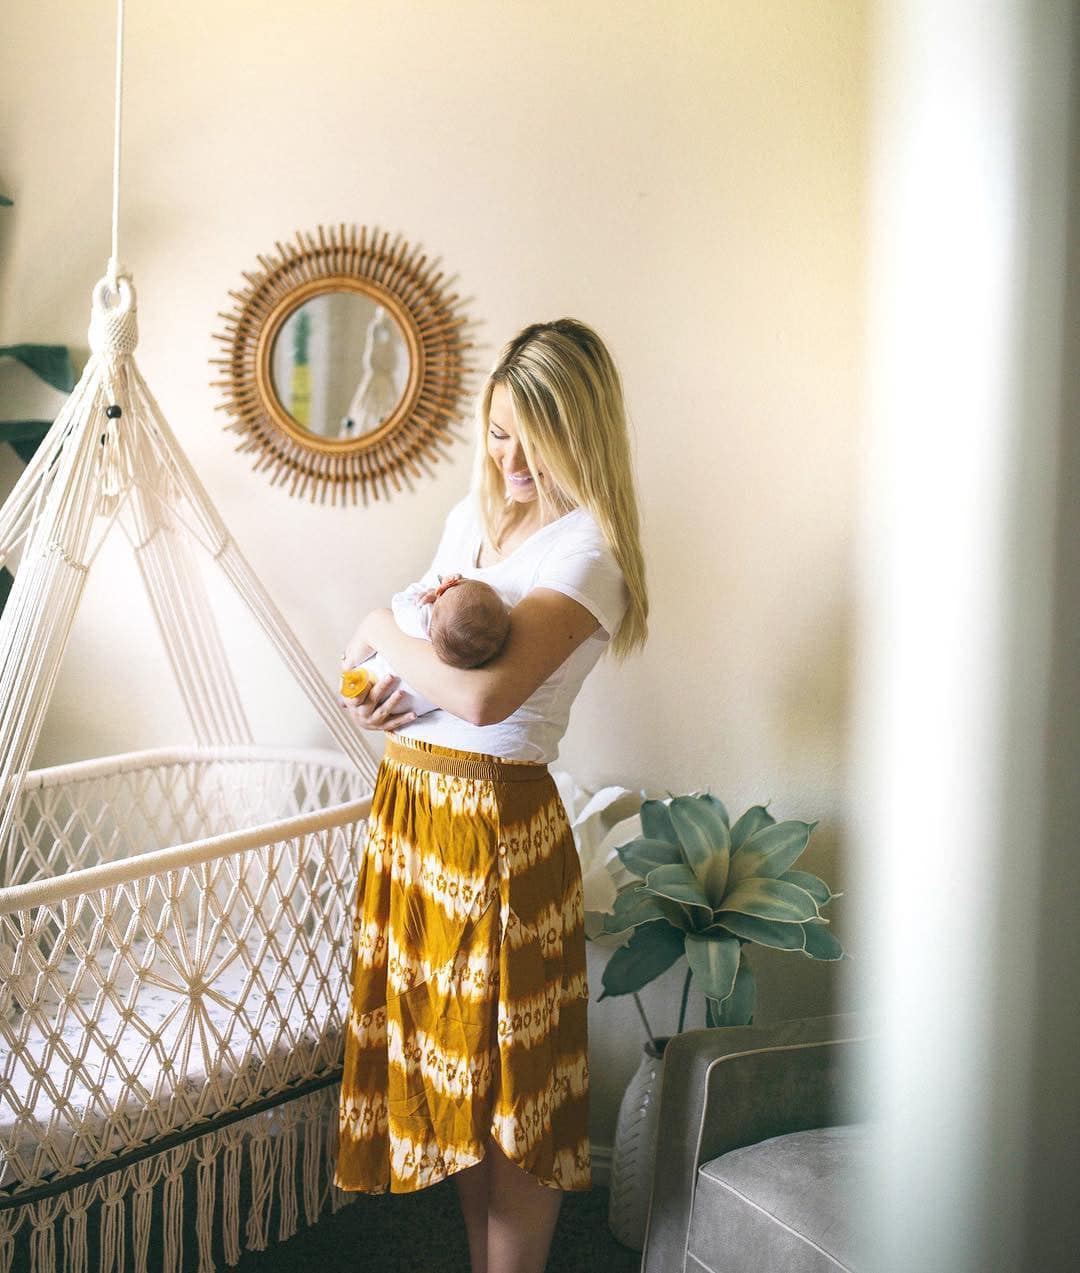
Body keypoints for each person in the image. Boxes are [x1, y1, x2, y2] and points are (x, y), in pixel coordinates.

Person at [335, 318, 649, 1273]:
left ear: (581, 429)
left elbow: (480, 693)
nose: (510, 454)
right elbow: (408, 663)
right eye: (500, 429)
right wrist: (397, 664)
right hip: (415, 818)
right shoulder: (471, 522)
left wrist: (379, 629)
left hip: (495, 830)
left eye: (533, 432)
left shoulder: (588, 554)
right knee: (465, 1085)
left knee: (518, 1098)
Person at [341, 574, 511, 718]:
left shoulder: (422, 621)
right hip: (406, 708)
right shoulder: (468, 656)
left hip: (381, 679)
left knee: (359, 670)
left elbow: (399, 602)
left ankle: (346, 679)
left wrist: (426, 592)